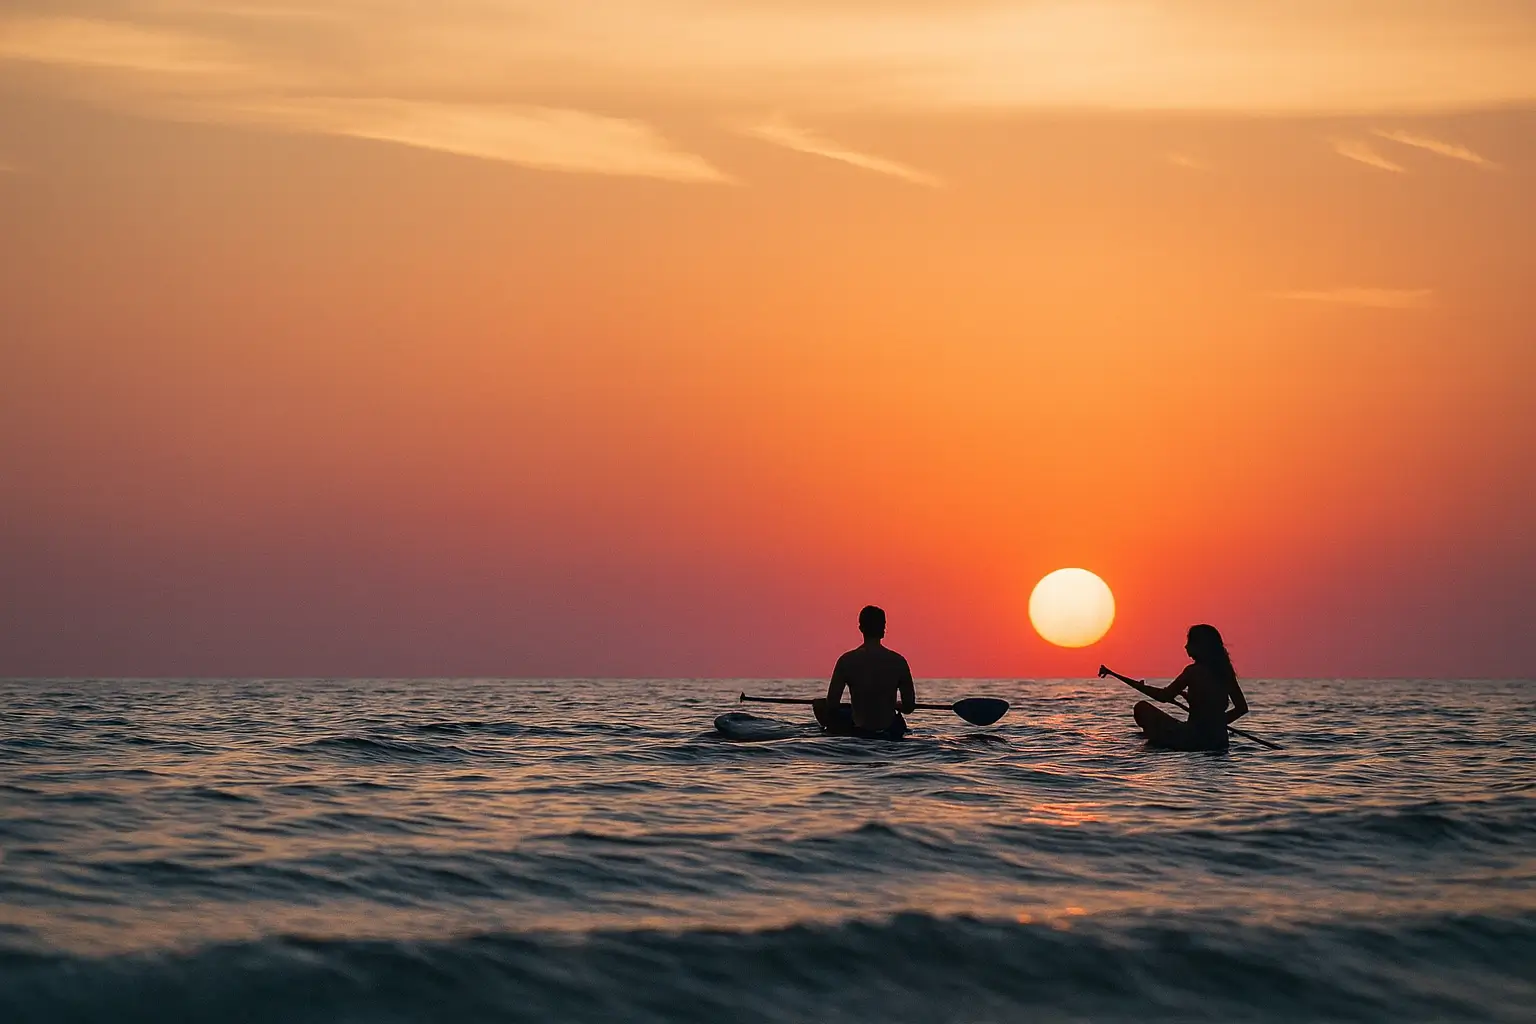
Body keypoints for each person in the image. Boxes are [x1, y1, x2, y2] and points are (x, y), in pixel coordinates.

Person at [1108, 624, 1248, 751]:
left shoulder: (1192, 672)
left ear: (1200, 646)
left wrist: (1139, 686)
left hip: (1193, 740)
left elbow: (1164, 696)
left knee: (1141, 708)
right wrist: (1216, 723)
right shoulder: (1225, 672)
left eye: (1190, 642)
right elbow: (1241, 708)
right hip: (1220, 741)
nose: (1186, 647)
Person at [814, 605, 916, 740]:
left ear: (861, 628)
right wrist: (895, 704)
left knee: (820, 706)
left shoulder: (846, 661)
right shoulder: (899, 661)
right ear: (883, 629)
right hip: (890, 733)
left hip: (858, 732)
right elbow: (909, 707)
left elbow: (832, 704)